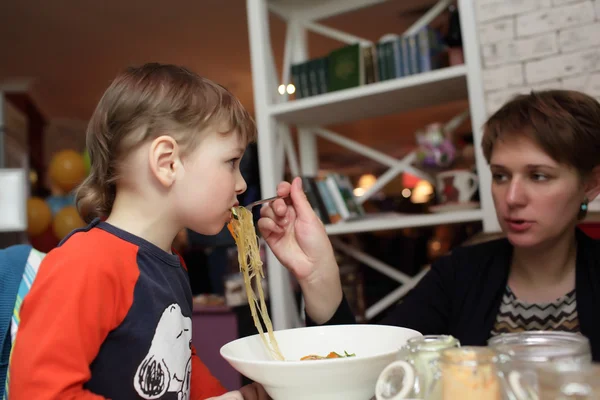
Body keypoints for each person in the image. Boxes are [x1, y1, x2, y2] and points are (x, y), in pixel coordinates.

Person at [258, 89, 600, 361]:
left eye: (538, 176)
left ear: (590, 184)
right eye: (500, 175)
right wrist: (319, 275)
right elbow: (370, 368)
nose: (511, 197)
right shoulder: (460, 273)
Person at [8, 63, 269, 400]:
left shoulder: (170, 264)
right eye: (231, 162)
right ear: (167, 162)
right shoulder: (87, 263)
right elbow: (38, 394)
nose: (241, 184)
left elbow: (178, 361)